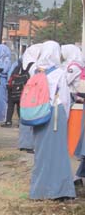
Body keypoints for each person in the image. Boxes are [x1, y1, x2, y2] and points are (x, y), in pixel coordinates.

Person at [29, 41, 75, 201]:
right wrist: (66, 117)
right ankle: (60, 190)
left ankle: (39, 190)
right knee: (59, 153)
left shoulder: (33, 70)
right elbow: (64, 98)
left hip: (37, 114)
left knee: (41, 154)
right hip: (55, 113)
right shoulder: (59, 73)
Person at [18, 44, 42, 151]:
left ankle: (24, 143)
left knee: (25, 117)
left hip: (25, 93)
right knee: (34, 118)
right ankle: (30, 144)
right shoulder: (35, 66)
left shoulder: (24, 63)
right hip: (34, 94)